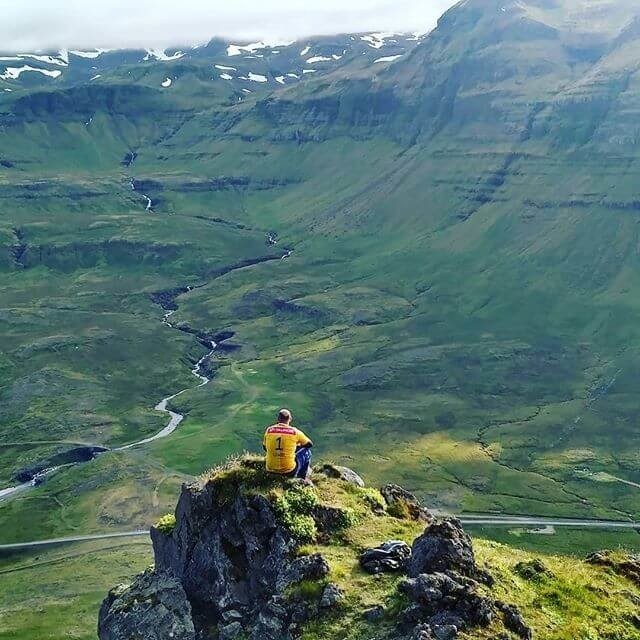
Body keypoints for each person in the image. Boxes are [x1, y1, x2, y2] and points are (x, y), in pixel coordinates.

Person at [263, 409, 313, 479]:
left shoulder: (269, 430)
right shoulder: (294, 432)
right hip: (289, 471)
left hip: (270, 469)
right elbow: (309, 444)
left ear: (278, 418)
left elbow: (265, 448)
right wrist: (296, 445)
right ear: (290, 419)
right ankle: (301, 478)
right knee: (307, 452)